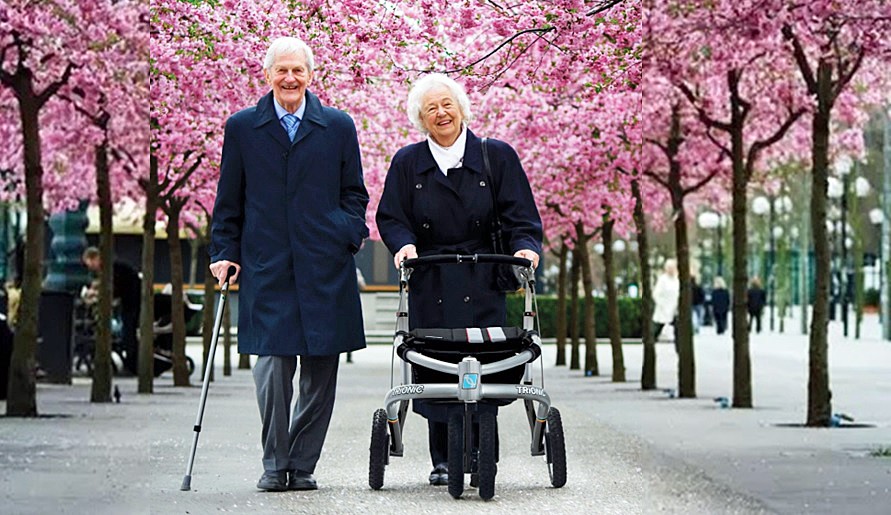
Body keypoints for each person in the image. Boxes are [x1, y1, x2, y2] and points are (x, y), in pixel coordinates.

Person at [208, 36, 368, 492]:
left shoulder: (338, 126)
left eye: (298, 70)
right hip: (268, 265)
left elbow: (354, 192)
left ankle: (303, 464)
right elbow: (228, 202)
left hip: (325, 266)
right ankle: (275, 463)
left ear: (311, 75)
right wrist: (224, 254)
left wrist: (346, 232)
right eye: (282, 70)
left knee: (321, 372)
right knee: (273, 368)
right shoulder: (242, 127)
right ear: (268, 75)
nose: (290, 78)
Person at [376, 73, 542, 486]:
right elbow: (391, 217)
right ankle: (445, 460)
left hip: (483, 272)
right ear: (420, 118)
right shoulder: (407, 161)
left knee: (485, 360)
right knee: (437, 362)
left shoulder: (496, 156)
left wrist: (526, 248)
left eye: (447, 104)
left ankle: (484, 453)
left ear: (463, 109)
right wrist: (403, 245)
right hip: (431, 274)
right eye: (431, 108)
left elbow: (521, 214)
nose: (441, 113)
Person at [82, 247, 141, 374]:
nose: (92, 268)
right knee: (128, 331)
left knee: (129, 332)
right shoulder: (113, 267)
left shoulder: (112, 269)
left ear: (96, 258)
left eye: (91, 264)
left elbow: (113, 288)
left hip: (132, 302)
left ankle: (132, 365)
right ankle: (131, 363)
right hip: (130, 301)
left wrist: (97, 295)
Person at [651, 258, 679, 344]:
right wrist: (661, 305)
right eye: (669, 267)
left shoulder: (676, 279)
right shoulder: (662, 279)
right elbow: (656, 294)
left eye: (673, 267)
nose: (671, 269)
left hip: (674, 309)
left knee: (677, 329)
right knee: (658, 328)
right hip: (663, 309)